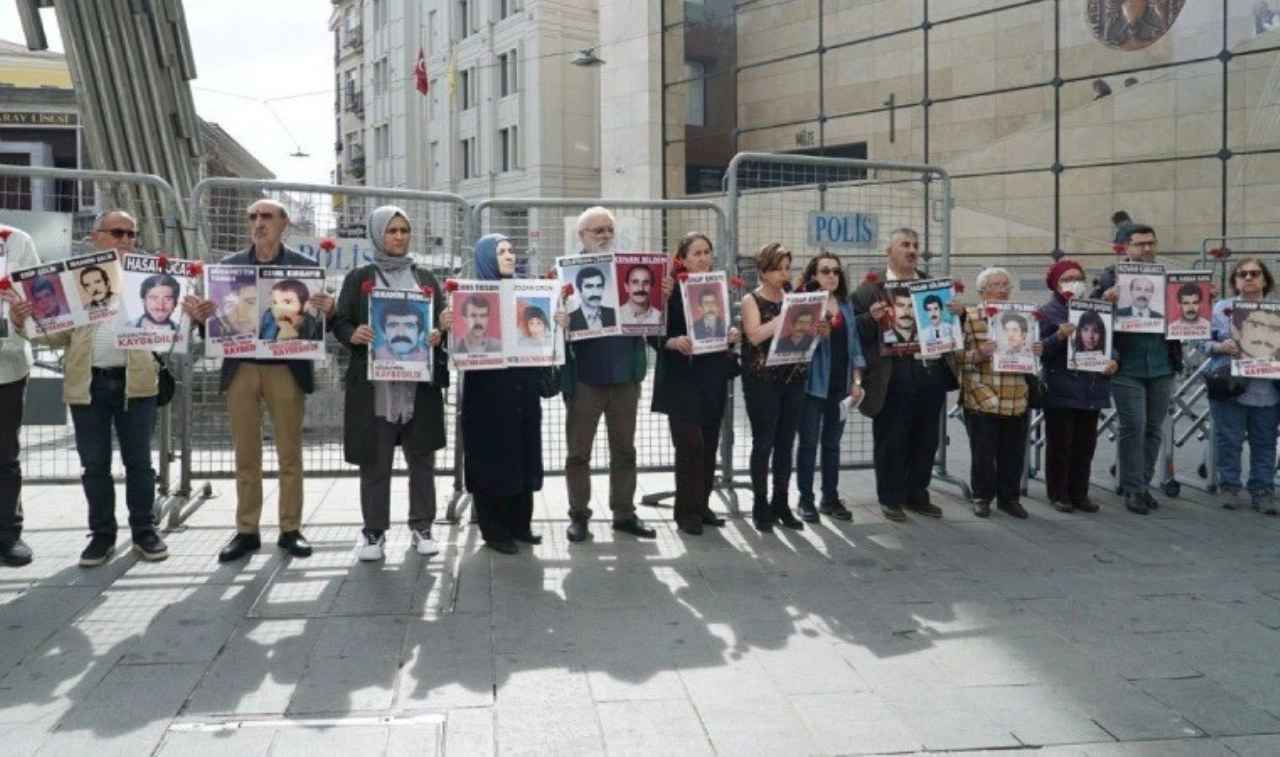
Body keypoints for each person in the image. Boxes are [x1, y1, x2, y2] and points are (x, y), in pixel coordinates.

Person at [183, 199, 336, 561]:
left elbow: (313, 328)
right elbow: (215, 329)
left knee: (289, 452)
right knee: (246, 452)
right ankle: (246, 530)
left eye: (266, 216)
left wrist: (325, 309)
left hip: (286, 366)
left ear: (284, 223)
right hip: (241, 367)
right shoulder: (228, 267)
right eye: (253, 217)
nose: (258, 222)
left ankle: (290, 529)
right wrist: (203, 318)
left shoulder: (306, 268)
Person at [13, 210, 168, 566]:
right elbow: (56, 335)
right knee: (94, 465)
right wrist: (24, 323)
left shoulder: (149, 280)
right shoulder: (76, 281)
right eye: (117, 232)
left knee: (140, 464)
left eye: (132, 234)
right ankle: (102, 535)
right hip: (89, 385)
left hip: (137, 385)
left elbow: (171, 328)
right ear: (96, 236)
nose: (126, 240)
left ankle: (144, 530)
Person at [331, 205, 449, 561]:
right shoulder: (359, 277)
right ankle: (373, 532)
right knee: (375, 460)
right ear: (377, 233)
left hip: (418, 387)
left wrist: (436, 334)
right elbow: (340, 321)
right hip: (376, 387)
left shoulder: (426, 279)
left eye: (403, 230)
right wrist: (355, 333)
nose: (398, 237)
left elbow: (438, 326)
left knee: (422, 459)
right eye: (391, 230)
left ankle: (422, 526)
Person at [561, 206, 662, 542]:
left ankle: (624, 513)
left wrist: (661, 297)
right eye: (596, 231)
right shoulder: (565, 277)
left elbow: (649, 319)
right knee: (579, 452)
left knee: (625, 450)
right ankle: (578, 515)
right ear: (581, 236)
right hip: (584, 379)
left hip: (624, 378)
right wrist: (558, 320)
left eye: (608, 230)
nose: (604, 236)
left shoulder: (628, 274)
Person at [463, 234, 564, 553]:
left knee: (523, 452)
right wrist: (449, 322)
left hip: (523, 388)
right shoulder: (471, 294)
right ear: (485, 259)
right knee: (492, 456)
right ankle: (494, 530)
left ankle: (521, 524)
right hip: (488, 393)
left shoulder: (528, 291)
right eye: (500, 251)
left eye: (511, 250)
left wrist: (558, 323)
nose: (509, 255)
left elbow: (541, 335)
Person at [852, 227, 959, 522]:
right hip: (892, 377)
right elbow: (853, 330)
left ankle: (917, 493)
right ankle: (890, 497)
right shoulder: (871, 289)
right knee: (892, 439)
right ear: (889, 251)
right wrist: (869, 319)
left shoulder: (932, 287)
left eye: (915, 245)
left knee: (926, 439)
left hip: (930, 373)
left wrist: (957, 312)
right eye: (904, 245)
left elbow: (948, 326)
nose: (912, 250)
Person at [650, 232, 739, 535]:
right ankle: (685, 511)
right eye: (696, 253)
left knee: (710, 446)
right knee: (690, 446)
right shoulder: (669, 289)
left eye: (707, 252)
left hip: (711, 376)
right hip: (681, 378)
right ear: (683, 258)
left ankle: (702, 505)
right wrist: (671, 341)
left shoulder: (718, 287)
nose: (703, 258)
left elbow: (723, 325)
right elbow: (650, 328)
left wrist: (730, 336)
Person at [1091, 223, 1182, 514]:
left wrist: (1205, 296)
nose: (1147, 249)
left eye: (1151, 243)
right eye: (1140, 244)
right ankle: (1133, 488)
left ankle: (1142, 483)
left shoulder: (1168, 277)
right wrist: (1105, 299)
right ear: (1126, 248)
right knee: (1134, 426)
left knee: (1155, 428)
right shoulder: (1110, 276)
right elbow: (1088, 311)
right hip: (1126, 364)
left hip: (1161, 363)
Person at [741, 242, 827, 532]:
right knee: (763, 443)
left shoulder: (794, 296)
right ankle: (760, 503)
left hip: (793, 378)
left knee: (785, 443)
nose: (784, 273)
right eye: (778, 268)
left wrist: (818, 329)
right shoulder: (751, 300)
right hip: (762, 380)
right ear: (763, 271)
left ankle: (781, 501)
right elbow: (753, 336)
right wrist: (783, 318)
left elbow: (803, 333)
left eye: (788, 267)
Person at [957, 268, 1041, 518]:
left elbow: (1033, 356)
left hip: (1016, 396)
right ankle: (982, 496)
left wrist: (1037, 349)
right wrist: (978, 353)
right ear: (981, 291)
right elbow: (955, 357)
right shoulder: (970, 317)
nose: (1002, 289)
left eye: (1006, 284)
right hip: (983, 396)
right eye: (995, 285)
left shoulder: (1025, 317)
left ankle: (1010, 498)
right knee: (983, 454)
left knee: (1013, 454)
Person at [1203, 257, 1279, 514]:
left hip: (1268, 390)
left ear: (1265, 279)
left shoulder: (1277, 309)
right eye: (1242, 274)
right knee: (1228, 440)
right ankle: (1229, 486)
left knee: (1265, 442)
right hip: (1230, 387)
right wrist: (1218, 346)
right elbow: (1201, 342)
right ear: (1234, 281)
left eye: (1254, 273)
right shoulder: (1219, 309)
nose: (1248, 278)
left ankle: (1262, 489)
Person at [795, 253, 865, 523]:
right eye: (825, 271)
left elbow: (855, 346)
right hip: (813, 386)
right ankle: (805, 499)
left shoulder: (845, 306)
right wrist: (814, 334)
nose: (832, 276)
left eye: (836, 271)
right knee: (809, 444)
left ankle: (830, 497)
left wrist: (857, 382)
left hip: (840, 386)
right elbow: (794, 342)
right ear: (814, 275)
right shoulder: (805, 304)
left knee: (832, 444)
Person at [1041, 259, 1115, 513]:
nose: (1073, 283)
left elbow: (1110, 338)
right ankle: (1058, 491)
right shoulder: (1048, 313)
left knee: (1086, 444)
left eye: (1077, 278)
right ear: (1055, 284)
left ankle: (1080, 491)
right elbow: (1040, 351)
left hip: (1092, 387)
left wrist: (1114, 359)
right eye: (1066, 279)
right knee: (1060, 444)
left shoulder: (1096, 309)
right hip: (1062, 386)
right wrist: (1059, 336)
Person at [0, 224, 40, 566]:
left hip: (6, 365)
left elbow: (38, 301)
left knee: (4, 455)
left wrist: (19, 311)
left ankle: (8, 534)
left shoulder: (15, 240)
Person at [567, 265, 616, 331]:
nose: (595, 292)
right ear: (579, 290)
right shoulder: (569, 319)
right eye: (589, 287)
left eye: (599, 286)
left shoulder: (614, 314)